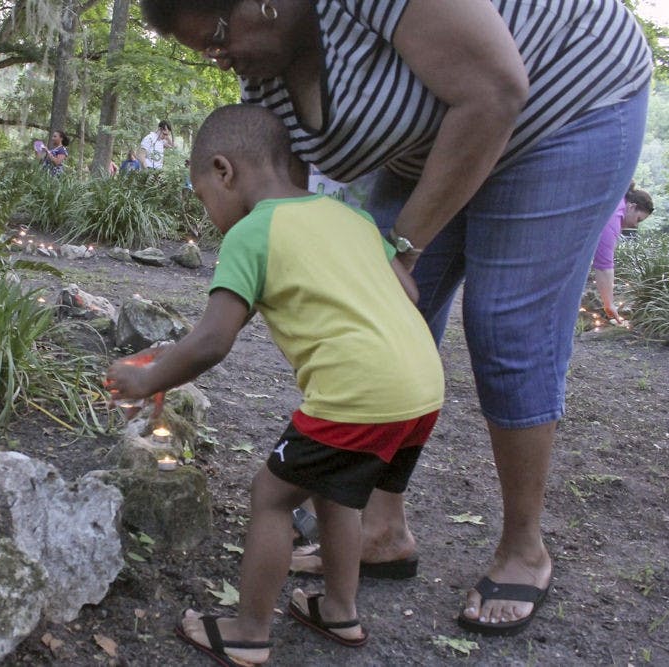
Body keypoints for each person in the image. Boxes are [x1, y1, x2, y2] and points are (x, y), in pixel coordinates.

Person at [140, 0, 652, 636]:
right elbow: (290, 197)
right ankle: (377, 533)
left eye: (218, 36)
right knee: (392, 312)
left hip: (562, 107)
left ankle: (522, 546)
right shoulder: (260, 72)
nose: (221, 58)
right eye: (206, 52)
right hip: (431, 153)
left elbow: (494, 88)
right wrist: (356, 259)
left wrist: (396, 250)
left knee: (505, 327)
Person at [105, 104, 444, 665]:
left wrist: (145, 378)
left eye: (200, 194)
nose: (207, 210)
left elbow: (213, 342)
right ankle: (340, 611)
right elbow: (408, 293)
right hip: (421, 389)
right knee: (338, 491)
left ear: (223, 171)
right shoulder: (352, 218)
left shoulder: (251, 231)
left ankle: (248, 631)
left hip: (357, 394)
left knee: (272, 495)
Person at [591, 184, 653, 323]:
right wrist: (609, 304)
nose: (636, 226)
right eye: (638, 219)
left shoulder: (615, 203)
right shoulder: (614, 216)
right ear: (631, 207)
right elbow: (603, 265)